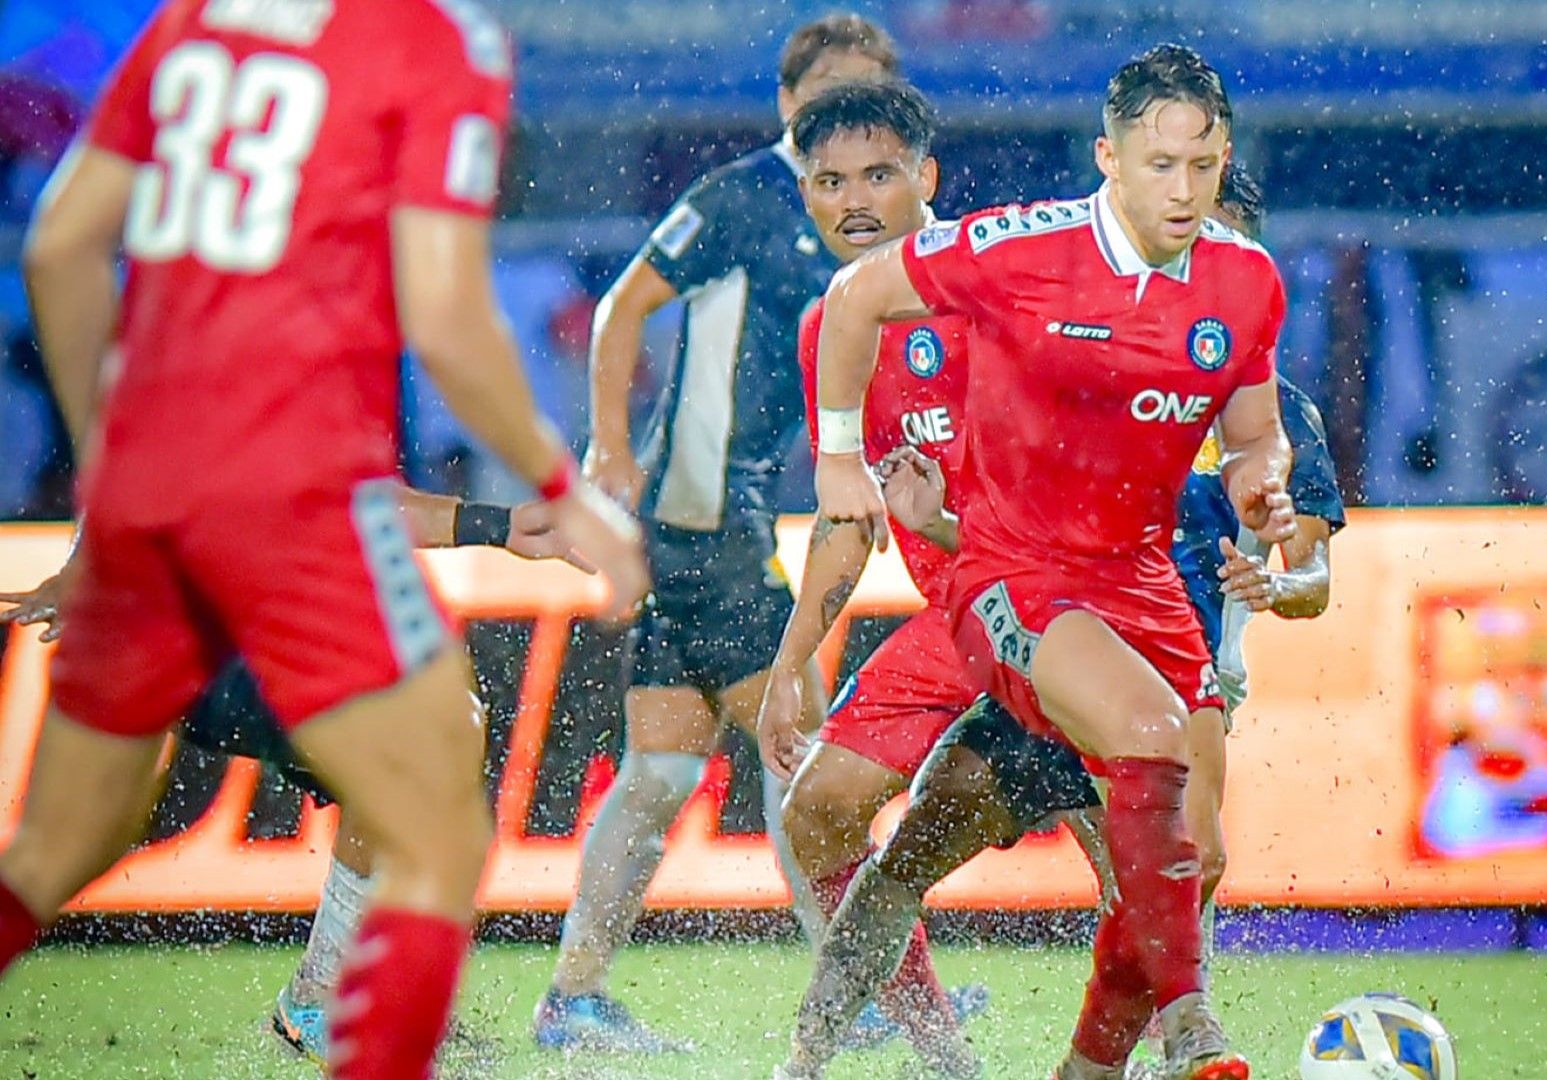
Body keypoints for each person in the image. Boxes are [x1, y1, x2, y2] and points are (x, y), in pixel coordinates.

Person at [0, 4, 646, 1079]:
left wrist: (115, 481)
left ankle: (325, 1002)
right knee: (439, 812)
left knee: (58, 848)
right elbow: (444, 314)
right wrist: (557, 485)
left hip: (156, 492)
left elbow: (62, 245)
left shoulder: (196, 24)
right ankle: (341, 1017)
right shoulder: (438, 39)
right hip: (285, 500)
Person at [773, 167, 1343, 1080]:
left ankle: (1132, 1059)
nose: (1184, 260)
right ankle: (804, 1059)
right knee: (917, 855)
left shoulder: (1272, 418)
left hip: (1174, 677)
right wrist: (936, 525)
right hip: (1057, 664)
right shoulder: (1090, 372)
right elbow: (1035, 544)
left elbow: (1313, 569)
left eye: (1212, 242)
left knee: (1174, 881)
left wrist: (1287, 582)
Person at [538, 14, 904, 1053]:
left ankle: (574, 997)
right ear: (791, 104)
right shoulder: (745, 195)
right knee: (807, 746)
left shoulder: (852, 213)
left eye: (873, 91)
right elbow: (622, 310)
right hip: (702, 516)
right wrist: (609, 452)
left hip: (710, 516)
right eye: (837, 91)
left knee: (659, 772)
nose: (853, 111)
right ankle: (860, 992)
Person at [0, 491, 582, 1064]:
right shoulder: (243, 403)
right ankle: (330, 998)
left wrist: (499, 526)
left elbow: (351, 501)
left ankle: (337, 997)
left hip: (233, 638)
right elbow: (135, 456)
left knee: (425, 742)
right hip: (183, 643)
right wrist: (82, 569)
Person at [756, 79, 980, 1077]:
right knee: (817, 808)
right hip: (960, 624)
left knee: (1132, 846)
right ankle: (946, 1060)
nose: (852, 199)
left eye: (878, 175)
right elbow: (849, 514)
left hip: (1069, 612)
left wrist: (953, 523)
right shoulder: (828, 329)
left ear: (925, 180)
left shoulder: (998, 287)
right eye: (829, 179)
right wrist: (793, 660)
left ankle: (1175, 1042)